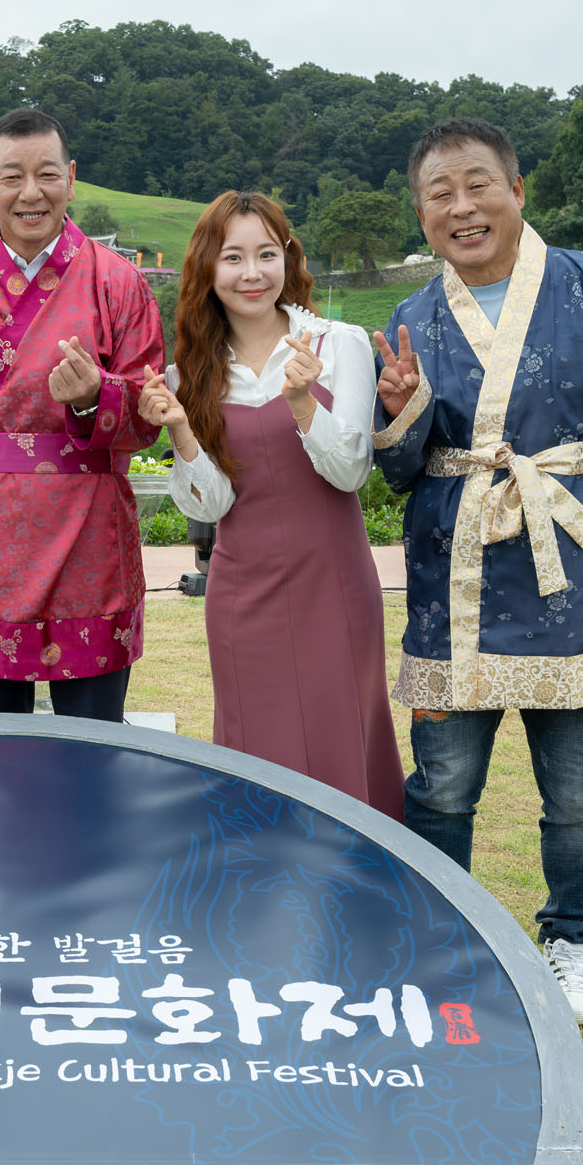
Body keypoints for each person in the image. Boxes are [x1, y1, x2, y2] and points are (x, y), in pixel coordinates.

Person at [372, 117, 583, 1027]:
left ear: (517, 190)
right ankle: (440, 940)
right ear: (422, 215)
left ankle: (574, 945)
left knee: (578, 788)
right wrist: (402, 411)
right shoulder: (411, 318)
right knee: (441, 784)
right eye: (440, 194)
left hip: (571, 569)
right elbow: (398, 471)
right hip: (454, 578)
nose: (462, 207)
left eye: (478, 185)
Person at [137, 191, 402, 817]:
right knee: (256, 748)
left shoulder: (337, 344)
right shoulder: (188, 371)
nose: (251, 273)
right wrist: (180, 430)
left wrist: (304, 402)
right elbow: (211, 506)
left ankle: (352, 873)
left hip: (334, 583)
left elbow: (351, 473)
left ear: (289, 257)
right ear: (207, 267)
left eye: (266, 254)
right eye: (233, 257)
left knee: (340, 738)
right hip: (241, 592)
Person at [0, 108, 164, 722]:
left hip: (89, 547)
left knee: (93, 744)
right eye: (12, 176)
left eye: (47, 174)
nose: (30, 193)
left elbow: (149, 417)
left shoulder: (120, 284)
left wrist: (95, 398)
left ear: (70, 179)